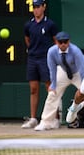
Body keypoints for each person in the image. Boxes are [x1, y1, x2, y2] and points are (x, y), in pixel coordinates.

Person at [34, 31, 84, 131]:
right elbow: (52, 69)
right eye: (60, 42)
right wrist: (53, 84)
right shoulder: (51, 52)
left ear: (69, 41)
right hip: (63, 71)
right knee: (52, 93)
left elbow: (82, 70)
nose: (63, 44)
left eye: (65, 42)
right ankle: (46, 122)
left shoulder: (75, 51)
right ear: (56, 42)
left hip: (79, 71)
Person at [22, 0, 59, 129]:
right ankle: (33, 119)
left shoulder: (50, 24)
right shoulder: (29, 25)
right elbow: (27, 39)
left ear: (44, 7)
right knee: (33, 89)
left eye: (38, 7)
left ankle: (54, 118)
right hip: (32, 59)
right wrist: (33, 50)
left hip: (46, 59)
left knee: (50, 88)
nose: (36, 9)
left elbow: (56, 42)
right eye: (34, 7)